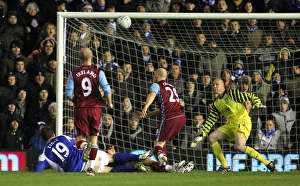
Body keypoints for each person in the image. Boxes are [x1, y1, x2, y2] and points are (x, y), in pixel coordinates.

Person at [190, 78, 276, 172]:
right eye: (213, 85)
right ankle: (225, 166)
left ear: (224, 86)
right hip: (231, 124)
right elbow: (211, 120)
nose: (215, 86)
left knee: (240, 147)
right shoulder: (216, 103)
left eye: (217, 84)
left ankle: (267, 163)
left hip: (242, 121)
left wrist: (257, 101)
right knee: (211, 137)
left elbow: (249, 96)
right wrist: (202, 135)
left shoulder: (232, 93)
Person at [33, 127, 192, 175]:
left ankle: (135, 166)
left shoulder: (44, 154)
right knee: (112, 156)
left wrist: (31, 170)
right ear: (53, 134)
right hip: (88, 157)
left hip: (79, 170)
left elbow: (38, 171)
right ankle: (139, 158)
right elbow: (78, 141)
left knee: (111, 169)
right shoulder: (62, 137)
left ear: (42, 138)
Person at [65, 48, 113, 176]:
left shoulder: (74, 73)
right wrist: (109, 102)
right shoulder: (98, 72)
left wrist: (76, 100)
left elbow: (68, 93)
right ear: (92, 57)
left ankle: (85, 147)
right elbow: (107, 89)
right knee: (94, 139)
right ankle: (91, 168)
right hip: (96, 109)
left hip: (80, 108)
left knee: (79, 139)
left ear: (80, 58)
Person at [132, 68, 186, 164]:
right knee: (162, 143)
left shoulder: (156, 85)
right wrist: (147, 115)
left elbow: (152, 95)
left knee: (157, 144)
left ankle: (162, 158)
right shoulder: (171, 87)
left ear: (157, 75)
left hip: (170, 118)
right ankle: (164, 166)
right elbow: (163, 109)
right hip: (181, 118)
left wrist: (145, 107)